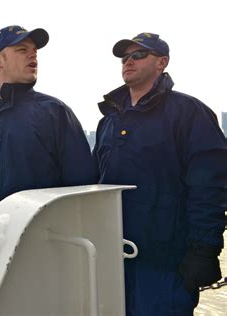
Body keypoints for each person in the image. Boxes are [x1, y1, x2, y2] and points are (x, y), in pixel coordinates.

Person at [93, 32, 227, 315]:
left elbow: (210, 186)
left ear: (161, 62)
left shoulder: (189, 113)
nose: (128, 61)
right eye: (124, 57)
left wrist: (204, 249)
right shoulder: (109, 121)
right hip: (114, 256)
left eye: (139, 55)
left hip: (167, 260)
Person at [0, 25, 96, 224]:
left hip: (44, 239)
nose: (33, 56)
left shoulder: (55, 112)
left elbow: (82, 186)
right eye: (22, 50)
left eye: (35, 51)